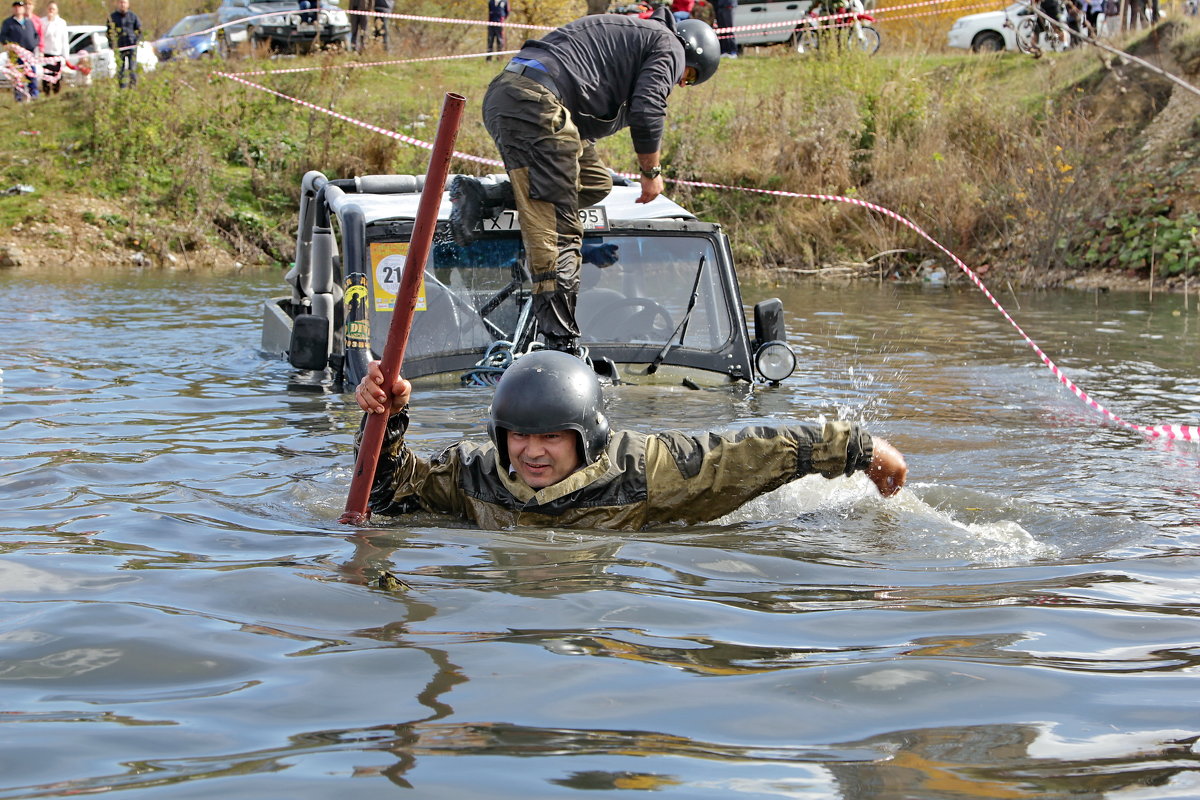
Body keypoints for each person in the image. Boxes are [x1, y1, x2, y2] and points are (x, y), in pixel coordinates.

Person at [353, 350, 909, 530]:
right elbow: (388, 494)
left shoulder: (641, 470)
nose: (533, 452)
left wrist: (856, 448)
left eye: (551, 437)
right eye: (519, 437)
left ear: (586, 438)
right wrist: (388, 417)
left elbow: (744, 454)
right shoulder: (473, 476)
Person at [452, 11, 720, 357]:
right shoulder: (669, 46)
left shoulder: (640, 38)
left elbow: (587, 96)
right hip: (536, 103)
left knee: (595, 183)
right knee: (560, 228)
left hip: (520, 96)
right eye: (690, 76)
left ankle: (484, 196)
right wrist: (651, 173)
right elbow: (648, 109)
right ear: (692, 52)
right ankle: (558, 341)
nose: (682, 83)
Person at [1, 0, 38, 101]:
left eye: (20, 7)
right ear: (13, 9)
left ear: (23, 9)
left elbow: (35, 35)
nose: (18, 9)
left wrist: (34, 44)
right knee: (18, 76)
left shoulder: (28, 22)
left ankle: (34, 94)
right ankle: (19, 96)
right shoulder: (8, 23)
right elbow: (3, 37)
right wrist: (9, 45)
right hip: (15, 55)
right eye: (16, 7)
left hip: (29, 54)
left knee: (32, 75)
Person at [106, 0, 140, 89]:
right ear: (117, 4)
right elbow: (109, 33)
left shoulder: (133, 16)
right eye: (120, 2)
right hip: (119, 47)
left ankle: (133, 88)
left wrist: (136, 41)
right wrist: (111, 45)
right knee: (121, 69)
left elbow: (139, 30)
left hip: (131, 46)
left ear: (128, 4)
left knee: (132, 68)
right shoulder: (112, 17)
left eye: (124, 2)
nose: (122, 4)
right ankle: (122, 88)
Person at [40, 1, 63, 94]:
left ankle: (56, 92)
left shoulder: (61, 22)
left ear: (57, 10)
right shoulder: (42, 21)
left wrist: (66, 55)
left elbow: (64, 39)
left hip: (57, 52)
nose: (51, 11)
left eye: (53, 9)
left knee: (56, 75)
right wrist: (49, 22)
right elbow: (42, 36)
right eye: (49, 9)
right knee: (46, 74)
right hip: (46, 52)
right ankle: (46, 92)